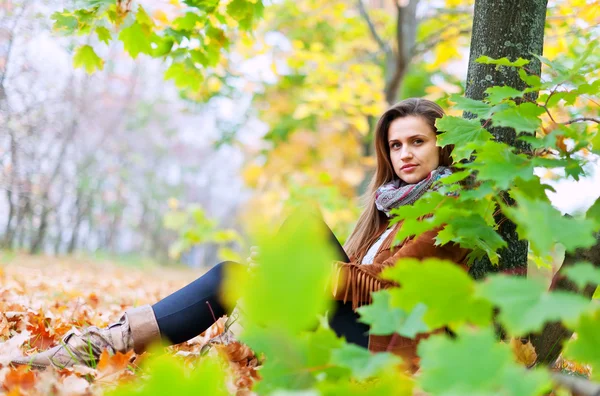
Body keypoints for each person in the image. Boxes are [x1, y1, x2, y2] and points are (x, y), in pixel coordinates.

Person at [9, 98, 469, 371]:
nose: (405, 153)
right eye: (395, 145)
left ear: (439, 145)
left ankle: (101, 347)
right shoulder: (392, 208)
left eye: (417, 141)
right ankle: (111, 343)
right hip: (358, 329)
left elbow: (389, 288)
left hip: (384, 347)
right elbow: (351, 273)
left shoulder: (448, 214)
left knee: (246, 270)